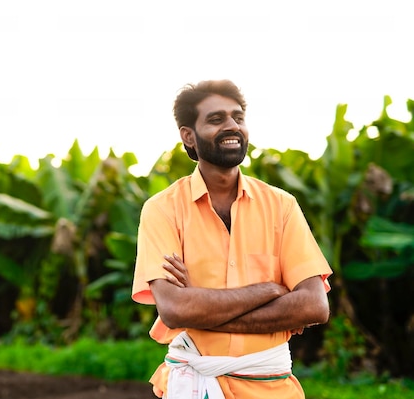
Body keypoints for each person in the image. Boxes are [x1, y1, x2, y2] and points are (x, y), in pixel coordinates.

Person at [132, 79, 333, 399]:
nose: (231, 126)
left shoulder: (281, 206)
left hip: (272, 389)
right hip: (194, 386)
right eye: (216, 119)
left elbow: (313, 305)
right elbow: (173, 309)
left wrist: (201, 306)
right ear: (188, 136)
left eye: (238, 117)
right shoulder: (162, 210)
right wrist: (268, 291)